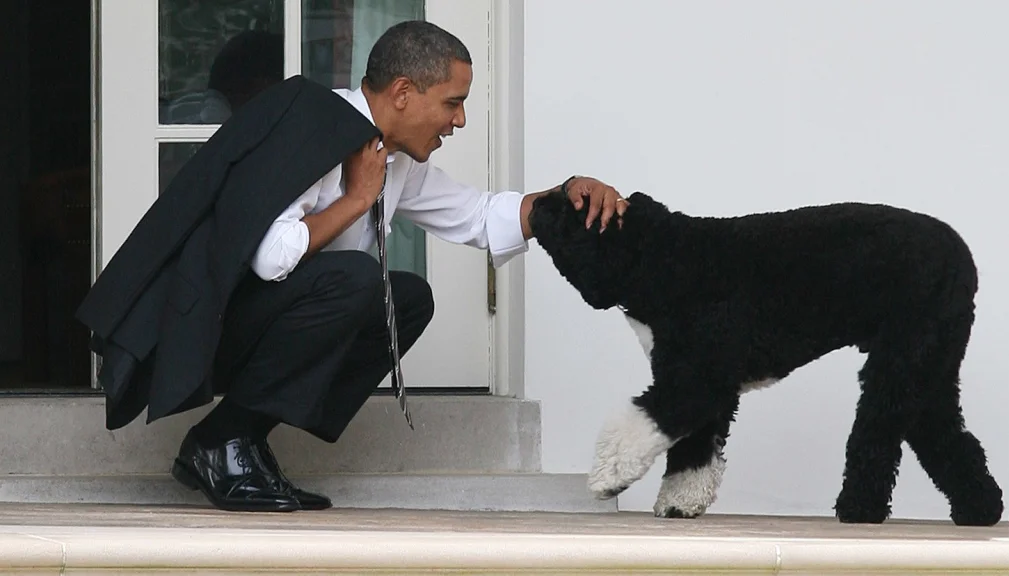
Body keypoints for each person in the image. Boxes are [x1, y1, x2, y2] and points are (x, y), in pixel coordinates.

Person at [112, 20, 627, 513]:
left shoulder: (394, 156)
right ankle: (219, 441)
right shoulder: (312, 123)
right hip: (198, 334)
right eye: (453, 102)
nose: (460, 121)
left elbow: (477, 215)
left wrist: (565, 198)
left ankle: (240, 435)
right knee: (356, 278)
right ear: (403, 92)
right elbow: (271, 258)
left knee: (408, 299)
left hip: (260, 326)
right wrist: (358, 199)